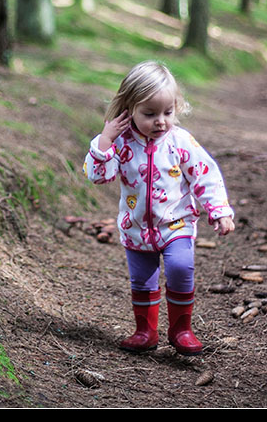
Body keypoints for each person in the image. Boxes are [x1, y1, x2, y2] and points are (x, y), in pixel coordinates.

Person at [84, 61, 235, 355]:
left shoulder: (180, 141)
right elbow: (99, 176)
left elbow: (205, 175)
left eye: (168, 112)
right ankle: (145, 332)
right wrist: (105, 140)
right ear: (129, 109)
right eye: (150, 114)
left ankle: (181, 330)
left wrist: (219, 210)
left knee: (180, 268)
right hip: (136, 228)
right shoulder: (120, 143)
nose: (161, 122)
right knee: (142, 281)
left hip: (177, 224)